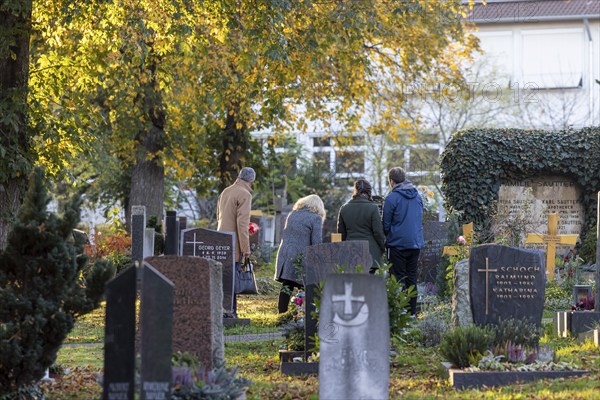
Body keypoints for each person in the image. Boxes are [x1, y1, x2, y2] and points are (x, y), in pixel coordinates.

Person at [382, 167, 424, 315]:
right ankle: (412, 313)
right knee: (411, 278)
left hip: (397, 244)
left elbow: (385, 224)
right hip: (415, 243)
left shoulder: (392, 198)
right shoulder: (417, 196)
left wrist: (388, 235)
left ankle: (400, 313)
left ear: (391, 181)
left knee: (398, 279)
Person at [274, 194, 325, 313]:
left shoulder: (292, 214)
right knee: (308, 284)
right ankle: (305, 313)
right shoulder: (315, 218)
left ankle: (282, 312)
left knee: (287, 284)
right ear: (318, 207)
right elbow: (316, 243)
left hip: (286, 253)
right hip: (301, 256)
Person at [217, 167, 256, 318]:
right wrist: (246, 248)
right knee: (233, 278)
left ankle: (223, 309)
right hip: (234, 242)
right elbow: (242, 224)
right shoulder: (245, 194)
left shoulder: (226, 191)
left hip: (221, 238)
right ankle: (230, 311)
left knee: (224, 277)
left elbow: (219, 216)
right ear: (251, 180)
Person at [337, 178, 386, 274]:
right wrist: (382, 248)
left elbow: (341, 234)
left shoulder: (344, 208)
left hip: (350, 253)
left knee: (352, 286)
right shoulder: (373, 208)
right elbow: (378, 232)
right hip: (370, 254)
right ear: (369, 192)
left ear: (355, 190)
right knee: (369, 286)